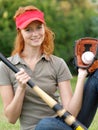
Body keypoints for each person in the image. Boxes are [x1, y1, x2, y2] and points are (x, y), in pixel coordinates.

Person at [0, 5, 97, 130]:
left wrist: (81, 76)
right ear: (20, 32)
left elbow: (71, 112)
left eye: (39, 28)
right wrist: (21, 89)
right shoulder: (6, 67)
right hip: (39, 127)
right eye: (28, 29)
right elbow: (11, 118)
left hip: (65, 124)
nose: (35, 34)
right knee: (45, 124)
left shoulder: (57, 63)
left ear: (44, 28)